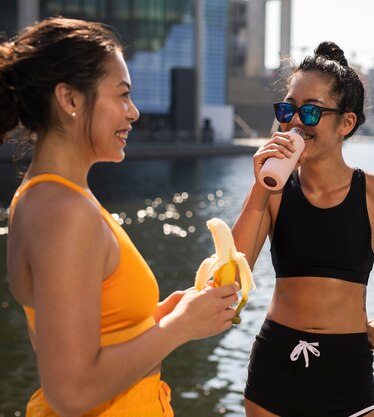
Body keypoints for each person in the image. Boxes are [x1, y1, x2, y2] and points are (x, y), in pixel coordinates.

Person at [1, 17, 239, 417]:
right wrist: (179, 328)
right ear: (71, 100)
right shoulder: (64, 212)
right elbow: (72, 392)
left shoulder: (52, 197)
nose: (134, 112)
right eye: (123, 95)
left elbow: (89, 333)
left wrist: (165, 316)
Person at [232, 41, 374, 417]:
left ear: (346, 122)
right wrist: (261, 188)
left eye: (310, 111)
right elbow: (232, 278)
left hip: (347, 368)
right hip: (275, 365)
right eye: (287, 109)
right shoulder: (272, 191)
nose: (294, 121)